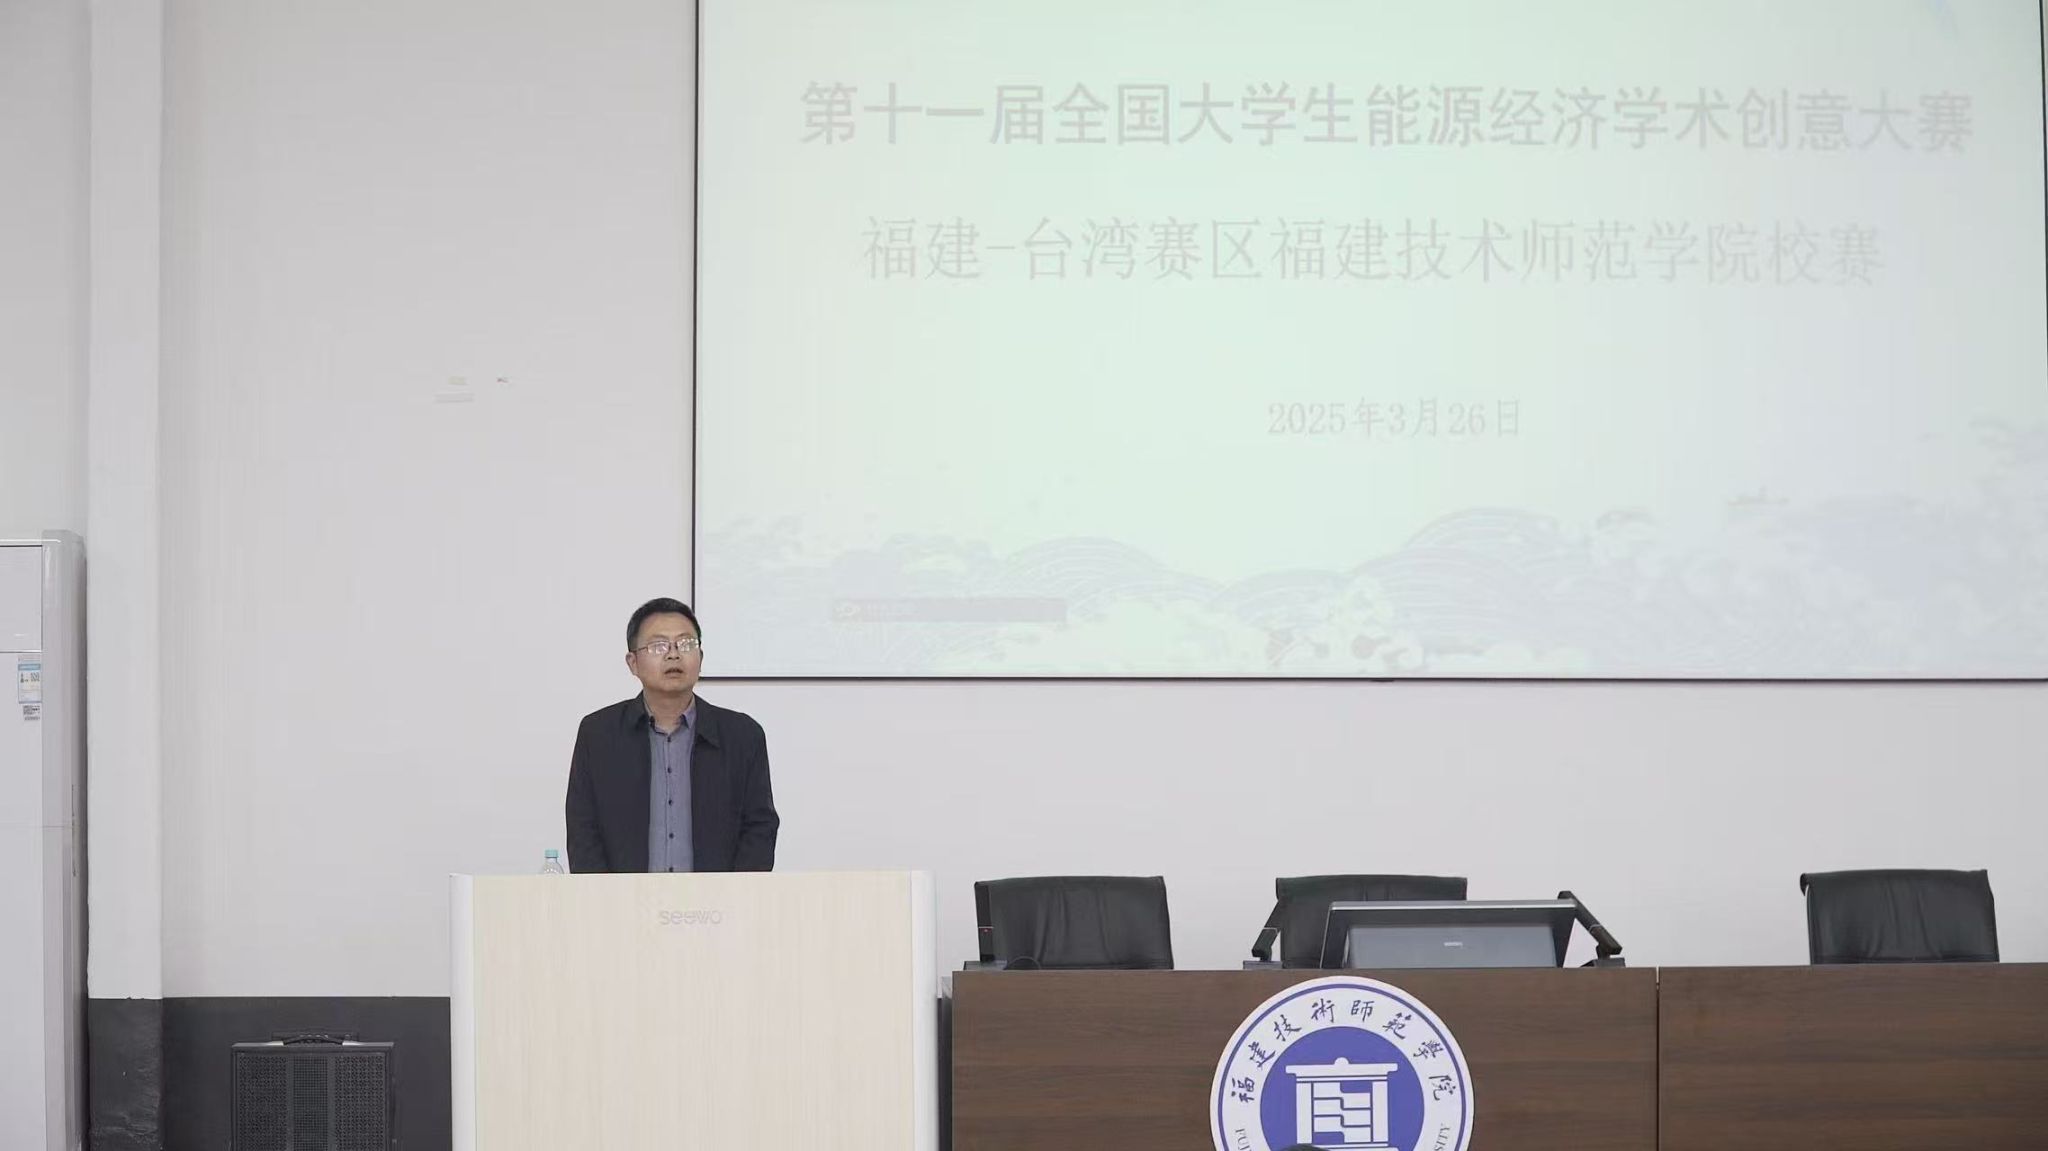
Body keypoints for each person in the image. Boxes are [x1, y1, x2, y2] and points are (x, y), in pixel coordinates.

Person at [564, 597, 779, 872]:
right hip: (621, 898)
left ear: (700, 658)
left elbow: (759, 829)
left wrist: (733, 893)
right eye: (658, 646)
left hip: (720, 899)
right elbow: (583, 829)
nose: (674, 655)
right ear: (633, 663)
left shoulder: (742, 736)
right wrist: (606, 895)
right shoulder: (599, 734)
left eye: (686, 644)